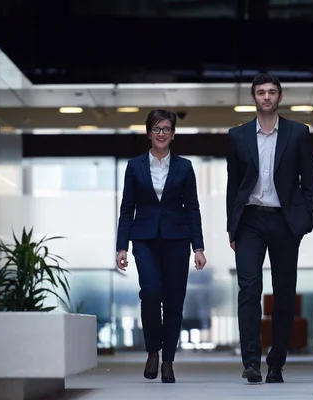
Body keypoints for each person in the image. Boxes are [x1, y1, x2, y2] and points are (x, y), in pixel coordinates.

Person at [226, 73, 313, 383]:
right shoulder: (237, 136)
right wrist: (232, 227)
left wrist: (303, 223)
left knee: (284, 295)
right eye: (261, 92)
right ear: (253, 98)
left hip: (284, 221)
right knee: (249, 289)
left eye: (272, 92)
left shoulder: (298, 133)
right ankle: (251, 362)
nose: (266, 97)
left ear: (279, 97)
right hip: (250, 220)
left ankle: (276, 362)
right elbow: (233, 186)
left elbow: (310, 184)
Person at [116, 108, 207, 383]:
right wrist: (122, 247)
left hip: (177, 240)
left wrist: (198, 247)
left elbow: (192, 208)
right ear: (148, 133)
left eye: (166, 129)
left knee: (175, 301)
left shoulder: (184, 167)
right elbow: (126, 208)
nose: (161, 134)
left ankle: (168, 360)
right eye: (156, 129)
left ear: (173, 134)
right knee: (151, 293)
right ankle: (152, 351)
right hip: (144, 239)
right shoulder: (134, 167)